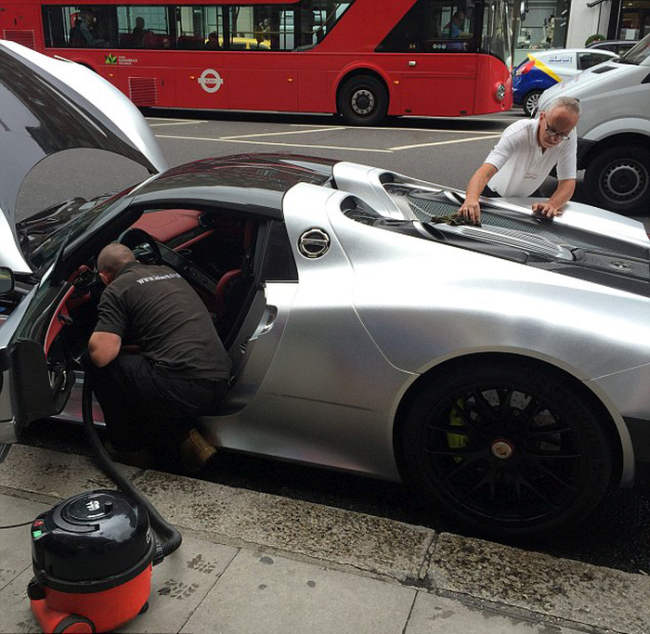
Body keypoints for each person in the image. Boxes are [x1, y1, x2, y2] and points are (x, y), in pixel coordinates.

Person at [84, 243, 232, 472]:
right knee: (149, 371)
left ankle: (128, 449)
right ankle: (189, 442)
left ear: (104, 276)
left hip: (180, 386)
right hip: (220, 382)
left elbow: (103, 355)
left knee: (98, 367)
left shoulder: (117, 289)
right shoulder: (169, 273)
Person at [458, 96, 581, 225]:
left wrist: (552, 204)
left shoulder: (569, 135)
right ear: (542, 117)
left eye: (562, 135)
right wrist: (472, 198)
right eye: (551, 130)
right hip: (494, 195)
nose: (555, 139)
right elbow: (485, 172)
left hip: (530, 197)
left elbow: (568, 182)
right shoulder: (518, 132)